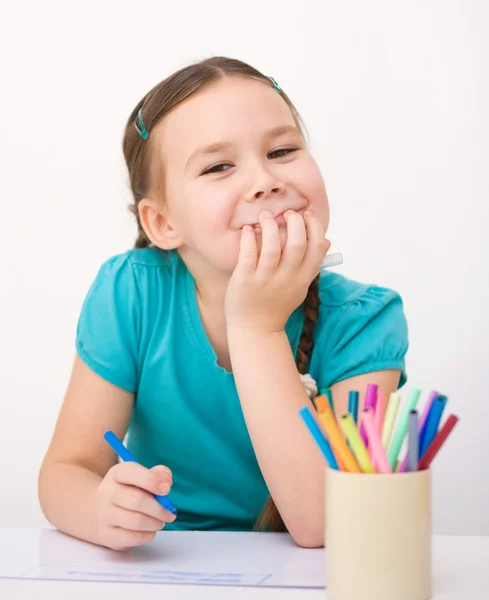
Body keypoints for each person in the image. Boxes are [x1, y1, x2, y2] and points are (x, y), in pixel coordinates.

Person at [38, 56, 408, 551]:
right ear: (163, 224)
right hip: (167, 567)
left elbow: (324, 522)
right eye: (218, 166)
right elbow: (66, 471)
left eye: (282, 150)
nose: (265, 180)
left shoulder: (367, 322)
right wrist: (99, 508)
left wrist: (257, 325)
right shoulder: (130, 293)